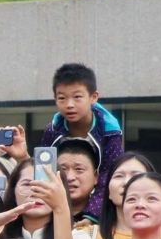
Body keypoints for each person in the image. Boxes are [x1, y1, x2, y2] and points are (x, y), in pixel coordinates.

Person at [38, 62, 127, 218]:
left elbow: (108, 176)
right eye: (62, 98)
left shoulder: (110, 132)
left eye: (77, 97)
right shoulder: (52, 130)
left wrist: (91, 216)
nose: (69, 105)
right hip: (56, 206)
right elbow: (43, 172)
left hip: (99, 211)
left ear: (93, 97)